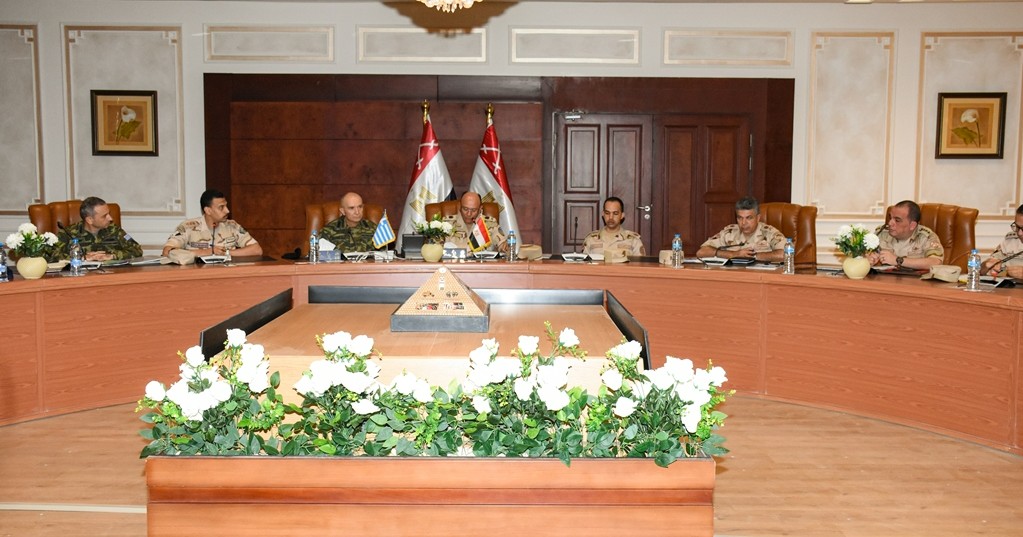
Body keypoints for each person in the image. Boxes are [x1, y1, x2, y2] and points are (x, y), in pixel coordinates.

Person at [162, 189, 262, 257]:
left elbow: (257, 250)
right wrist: (206, 252)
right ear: (208, 210)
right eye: (221, 207)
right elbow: (167, 251)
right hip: (197, 276)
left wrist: (226, 252)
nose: (227, 210)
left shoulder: (232, 226)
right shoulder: (188, 227)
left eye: (226, 206)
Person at [51, 196, 142, 261]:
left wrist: (112, 256)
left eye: (109, 213)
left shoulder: (114, 230)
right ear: (89, 220)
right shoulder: (68, 233)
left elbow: (137, 250)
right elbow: (51, 255)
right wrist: (82, 258)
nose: (110, 218)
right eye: (104, 216)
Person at [696, 196, 785, 262]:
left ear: (758, 218)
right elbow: (701, 252)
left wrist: (753, 256)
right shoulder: (729, 232)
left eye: (749, 218)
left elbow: (786, 255)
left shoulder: (769, 232)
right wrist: (733, 254)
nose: (743, 222)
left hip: (761, 277)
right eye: (740, 218)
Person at [866, 200, 943, 270]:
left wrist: (898, 260)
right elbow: (864, 254)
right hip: (885, 279)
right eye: (890, 218)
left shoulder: (926, 236)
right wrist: (867, 259)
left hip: (914, 280)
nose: (890, 223)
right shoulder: (881, 233)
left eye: (897, 220)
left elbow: (936, 262)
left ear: (912, 225)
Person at [982, 203, 1023, 277]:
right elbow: (984, 268)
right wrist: (985, 266)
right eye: (1017, 227)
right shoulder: (1011, 241)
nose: (1019, 233)